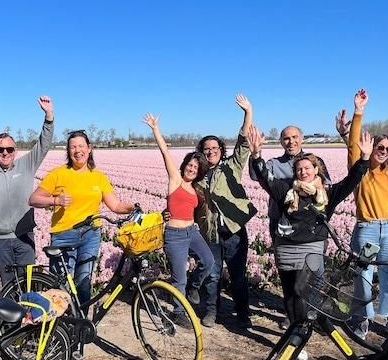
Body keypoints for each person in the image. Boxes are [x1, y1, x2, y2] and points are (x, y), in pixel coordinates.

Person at [248, 125, 371, 358]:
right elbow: (264, 176)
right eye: (299, 169)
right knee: (289, 294)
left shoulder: (328, 194)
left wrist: (364, 159)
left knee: (301, 289)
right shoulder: (286, 192)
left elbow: (351, 180)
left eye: (307, 168)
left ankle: (301, 335)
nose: (303, 172)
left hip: (312, 247)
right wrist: (256, 155)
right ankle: (294, 337)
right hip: (285, 246)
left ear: (316, 170)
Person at [29, 130, 135, 306]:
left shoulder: (98, 177)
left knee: (84, 283)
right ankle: (61, 327)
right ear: (68, 151)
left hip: (90, 235)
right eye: (73, 147)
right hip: (64, 234)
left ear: (89, 148)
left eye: (81, 146)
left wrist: (133, 207)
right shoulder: (58, 174)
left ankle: (81, 326)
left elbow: (115, 205)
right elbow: (33, 199)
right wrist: (56, 200)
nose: (77, 150)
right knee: (62, 286)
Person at [0, 96, 55, 288]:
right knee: (7, 283)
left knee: (28, 282)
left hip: (24, 237)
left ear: (15, 151)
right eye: (0, 150)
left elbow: (44, 144)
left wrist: (48, 117)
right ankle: (11, 318)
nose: (5, 153)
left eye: (8, 149)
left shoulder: (26, 165)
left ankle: (28, 317)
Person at [337, 89, 388, 339]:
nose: (384, 151)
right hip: (368, 229)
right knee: (363, 277)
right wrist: (359, 111)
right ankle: (361, 320)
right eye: (380, 147)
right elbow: (353, 146)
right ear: (371, 147)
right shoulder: (360, 170)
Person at [142, 113, 214, 326]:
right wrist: (155, 128)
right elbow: (165, 152)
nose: (192, 169)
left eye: (196, 168)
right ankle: (178, 311)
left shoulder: (196, 189)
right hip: (174, 235)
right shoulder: (175, 179)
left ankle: (194, 286)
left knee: (208, 261)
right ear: (184, 165)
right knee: (178, 277)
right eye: (190, 165)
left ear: (200, 171)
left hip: (192, 232)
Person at [194, 94, 258, 329]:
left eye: (214, 148)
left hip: (233, 231)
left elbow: (243, 142)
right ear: (201, 152)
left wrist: (247, 112)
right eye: (206, 149)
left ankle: (243, 314)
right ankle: (212, 312)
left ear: (221, 149)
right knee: (211, 276)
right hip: (209, 232)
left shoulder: (232, 166)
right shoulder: (196, 175)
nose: (211, 152)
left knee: (238, 276)